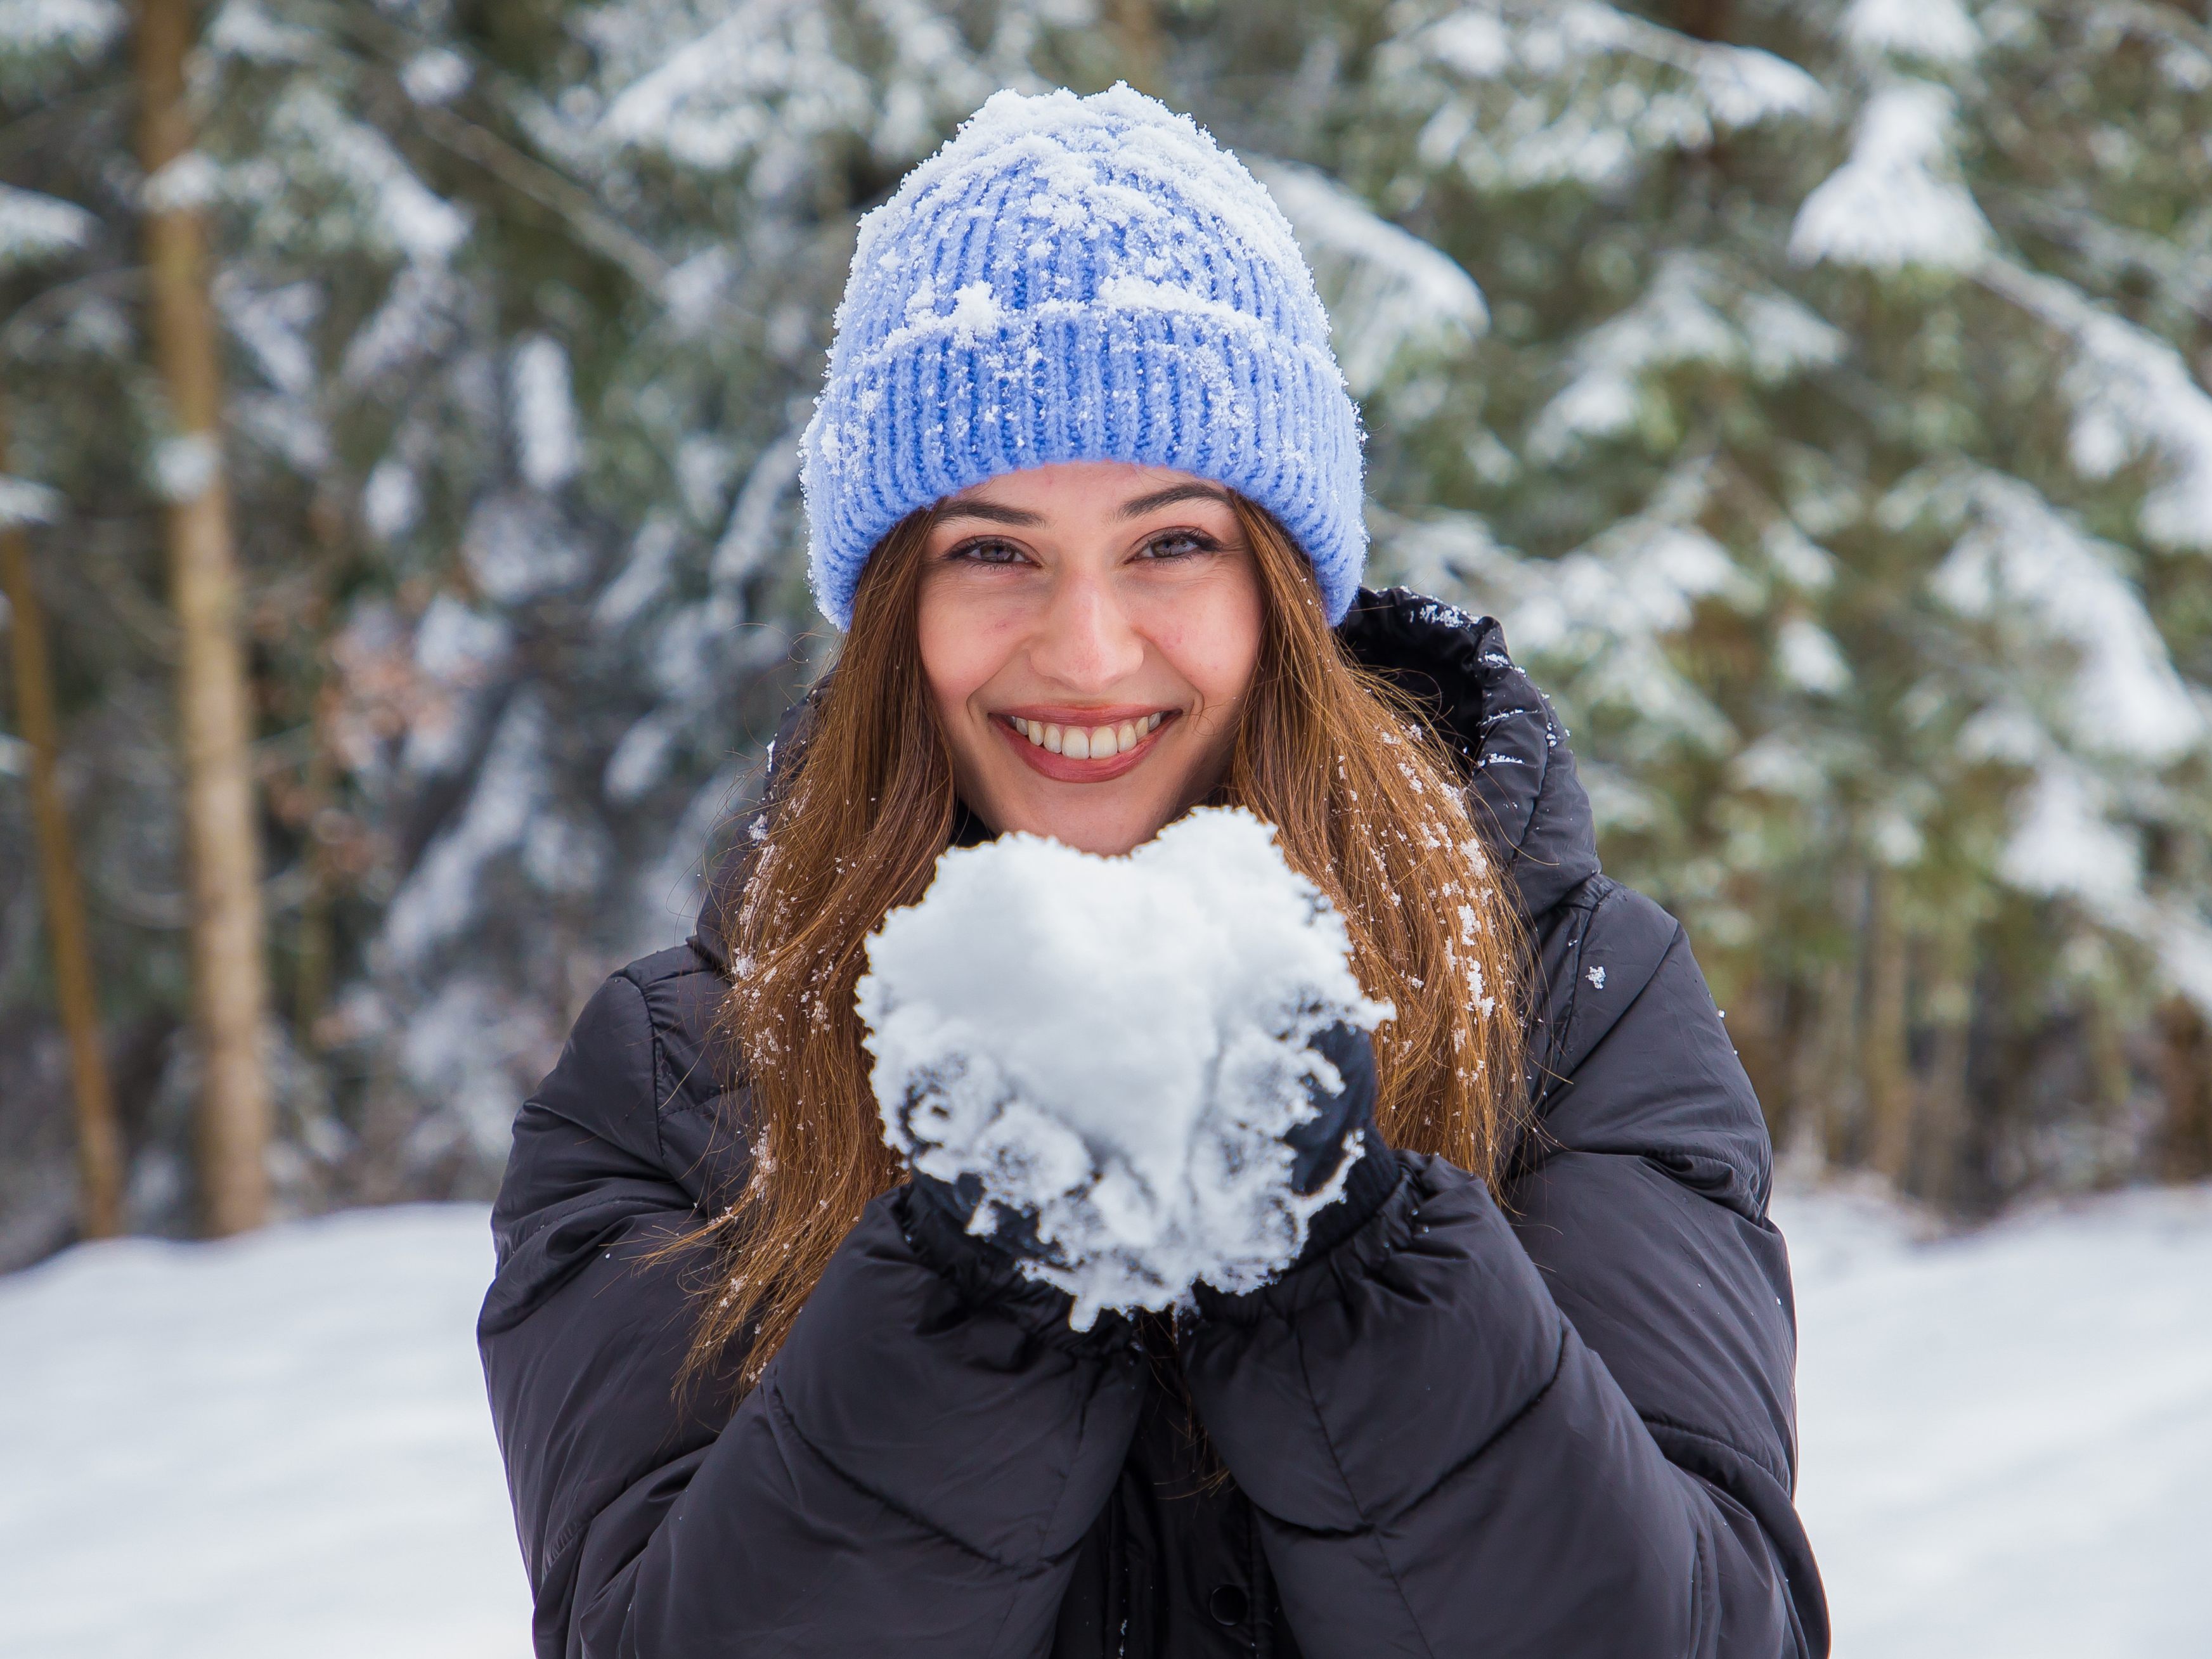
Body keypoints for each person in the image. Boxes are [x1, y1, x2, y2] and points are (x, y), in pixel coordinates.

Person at [479, 86, 1827, 1658]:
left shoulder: (1572, 998)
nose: (1087, 650)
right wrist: (974, 1290)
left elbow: (1712, 1632)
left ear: (1279, 590)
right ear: (889, 613)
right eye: (991, 550)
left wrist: (1345, 1259)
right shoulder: (674, 1082)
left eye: (1168, 542)